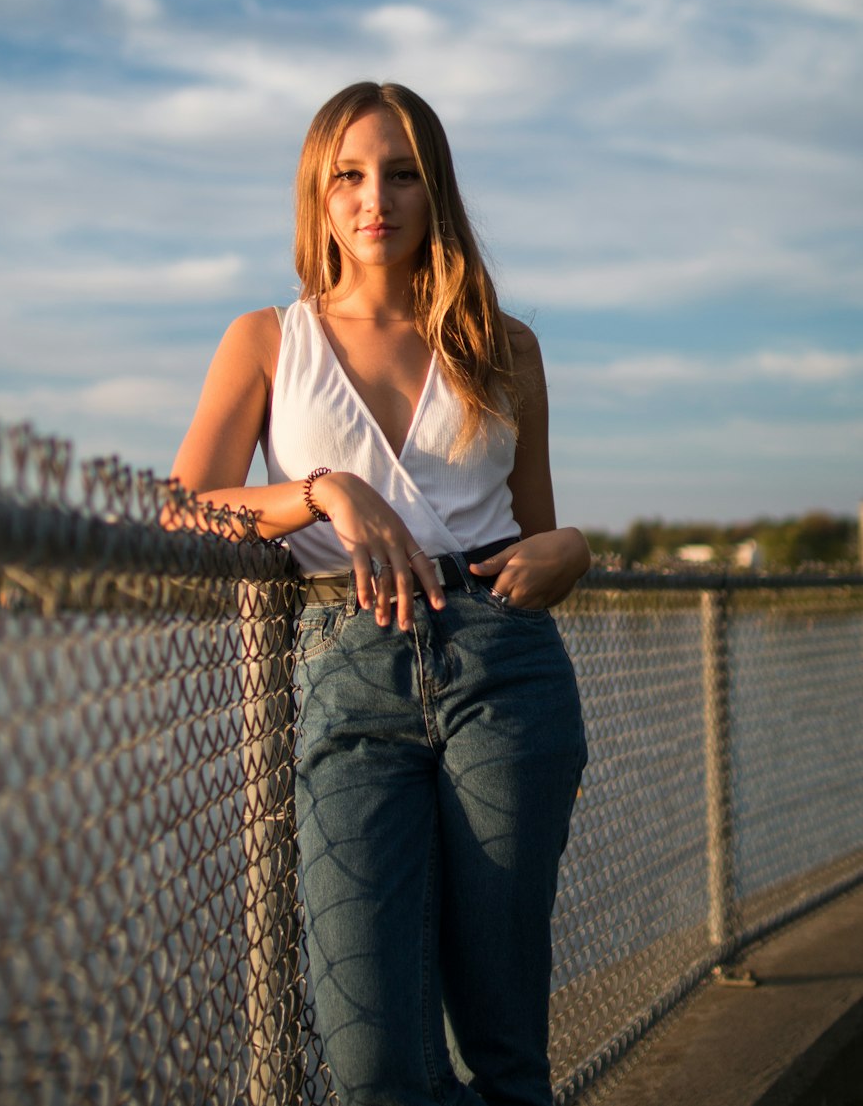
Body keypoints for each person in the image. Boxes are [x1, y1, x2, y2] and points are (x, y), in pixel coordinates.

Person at [171, 82, 589, 1106]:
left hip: (505, 664)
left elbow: (534, 526)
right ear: (317, 193)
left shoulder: (506, 342)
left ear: (434, 187)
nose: (376, 198)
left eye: (402, 172)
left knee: (504, 1044)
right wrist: (320, 490)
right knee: (372, 1060)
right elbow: (178, 510)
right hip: (345, 668)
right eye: (349, 175)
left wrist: (571, 548)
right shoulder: (269, 338)